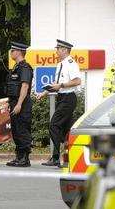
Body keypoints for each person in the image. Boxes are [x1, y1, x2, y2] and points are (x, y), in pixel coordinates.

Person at [36, 39, 81, 167]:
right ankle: (68, 159)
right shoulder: (60, 64)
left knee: (54, 125)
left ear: (64, 50)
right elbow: (56, 85)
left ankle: (56, 157)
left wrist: (61, 85)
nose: (56, 51)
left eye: (58, 49)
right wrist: (44, 93)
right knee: (68, 130)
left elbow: (77, 81)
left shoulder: (71, 63)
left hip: (68, 98)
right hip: (62, 98)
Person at [5, 42, 34, 167]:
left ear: (18, 52)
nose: (11, 53)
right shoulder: (16, 67)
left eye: (12, 51)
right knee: (16, 130)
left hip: (22, 103)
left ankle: (24, 158)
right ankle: (19, 156)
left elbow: (25, 85)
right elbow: (13, 87)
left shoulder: (25, 67)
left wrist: (19, 104)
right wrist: (9, 101)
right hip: (14, 102)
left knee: (22, 129)